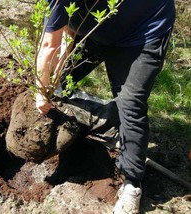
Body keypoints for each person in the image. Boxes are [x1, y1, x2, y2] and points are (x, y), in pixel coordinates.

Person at [35, 0, 175, 213]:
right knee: (57, 81)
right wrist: (48, 87)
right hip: (97, 26)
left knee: (131, 104)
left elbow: (48, 46)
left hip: (143, 31)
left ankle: (132, 184)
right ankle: (102, 122)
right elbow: (65, 35)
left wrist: (39, 92)